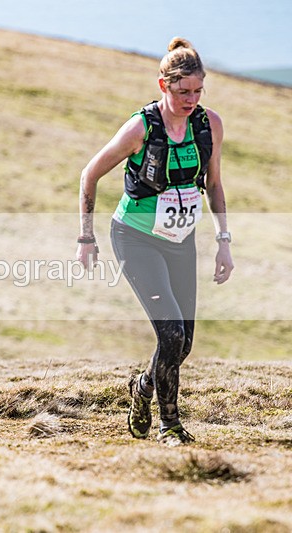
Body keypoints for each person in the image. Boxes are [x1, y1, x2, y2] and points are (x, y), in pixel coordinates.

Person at [76, 38, 234, 446]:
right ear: (163, 85)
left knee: (184, 342)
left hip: (179, 239)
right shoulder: (141, 127)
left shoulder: (208, 124)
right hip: (135, 237)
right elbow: (89, 174)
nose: (191, 99)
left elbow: (214, 184)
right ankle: (170, 425)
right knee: (171, 335)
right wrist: (86, 237)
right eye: (183, 91)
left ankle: (144, 386)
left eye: (198, 91)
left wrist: (223, 240)